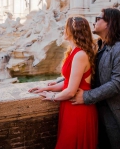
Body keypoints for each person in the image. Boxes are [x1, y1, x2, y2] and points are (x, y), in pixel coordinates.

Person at [28, 16, 98, 149]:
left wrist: (52, 97)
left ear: (72, 31)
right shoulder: (74, 52)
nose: (63, 30)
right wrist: (46, 88)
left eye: (66, 27)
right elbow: (69, 82)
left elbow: (71, 91)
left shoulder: (80, 55)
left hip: (78, 109)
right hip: (71, 106)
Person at [72, 8, 120, 149]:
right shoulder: (99, 45)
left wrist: (87, 96)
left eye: (98, 18)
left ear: (109, 23)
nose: (95, 21)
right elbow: (85, 73)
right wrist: (62, 83)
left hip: (114, 112)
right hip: (96, 108)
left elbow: (117, 84)